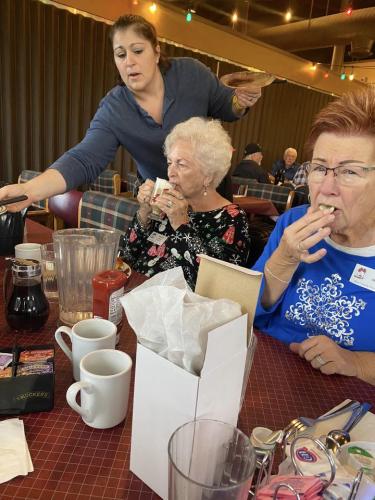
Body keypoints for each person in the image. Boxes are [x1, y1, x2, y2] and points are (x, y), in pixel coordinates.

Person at [0, 14, 261, 212]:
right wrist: (29, 191)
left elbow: (226, 106)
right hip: (162, 199)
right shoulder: (115, 108)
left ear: (156, 52)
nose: (129, 62)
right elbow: (84, 159)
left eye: (138, 51)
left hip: (210, 192)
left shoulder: (192, 73)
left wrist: (242, 100)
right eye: (120, 54)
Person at [253, 87, 375, 386]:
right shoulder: (293, 221)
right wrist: (284, 257)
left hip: (347, 404)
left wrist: (355, 362)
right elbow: (245, 312)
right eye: (320, 168)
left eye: (349, 172)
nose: (327, 187)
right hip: (266, 372)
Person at [119, 117, 251, 289]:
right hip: (134, 296)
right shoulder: (168, 204)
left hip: (178, 311)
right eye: (170, 163)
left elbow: (216, 288)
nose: (170, 172)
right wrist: (144, 212)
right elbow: (126, 257)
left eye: (181, 164)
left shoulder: (233, 220)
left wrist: (182, 225)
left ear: (208, 175)